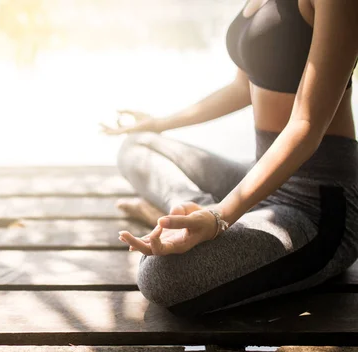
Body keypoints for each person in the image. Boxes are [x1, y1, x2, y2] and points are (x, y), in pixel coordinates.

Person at [101, 0, 358, 317]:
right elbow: (241, 87)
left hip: (316, 207)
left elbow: (306, 125)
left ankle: (200, 217)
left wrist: (220, 215)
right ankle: (189, 210)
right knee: (138, 146)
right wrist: (159, 123)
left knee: (159, 277)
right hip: (260, 172)